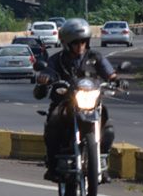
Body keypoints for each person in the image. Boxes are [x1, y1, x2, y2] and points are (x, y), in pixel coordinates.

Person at [33, 18, 118, 183]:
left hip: (90, 101)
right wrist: (45, 78)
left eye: (83, 42)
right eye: (76, 43)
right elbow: (48, 72)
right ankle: (52, 166)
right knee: (53, 122)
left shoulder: (95, 57)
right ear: (66, 43)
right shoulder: (56, 60)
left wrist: (117, 80)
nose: (80, 46)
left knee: (108, 128)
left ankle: (102, 164)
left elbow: (109, 73)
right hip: (65, 101)